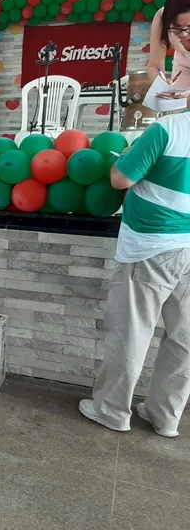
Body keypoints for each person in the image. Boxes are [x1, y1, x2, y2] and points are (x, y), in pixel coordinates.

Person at [79, 110, 190, 438]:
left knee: (131, 332)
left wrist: (126, 156)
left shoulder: (168, 128)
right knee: (184, 338)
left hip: (153, 245)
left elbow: (121, 179)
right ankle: (166, 416)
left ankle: (111, 410)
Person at [146, 0, 190, 100]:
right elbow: (154, 64)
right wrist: (160, 85)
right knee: (176, 104)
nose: (184, 34)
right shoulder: (162, 17)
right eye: (177, 26)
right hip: (183, 68)